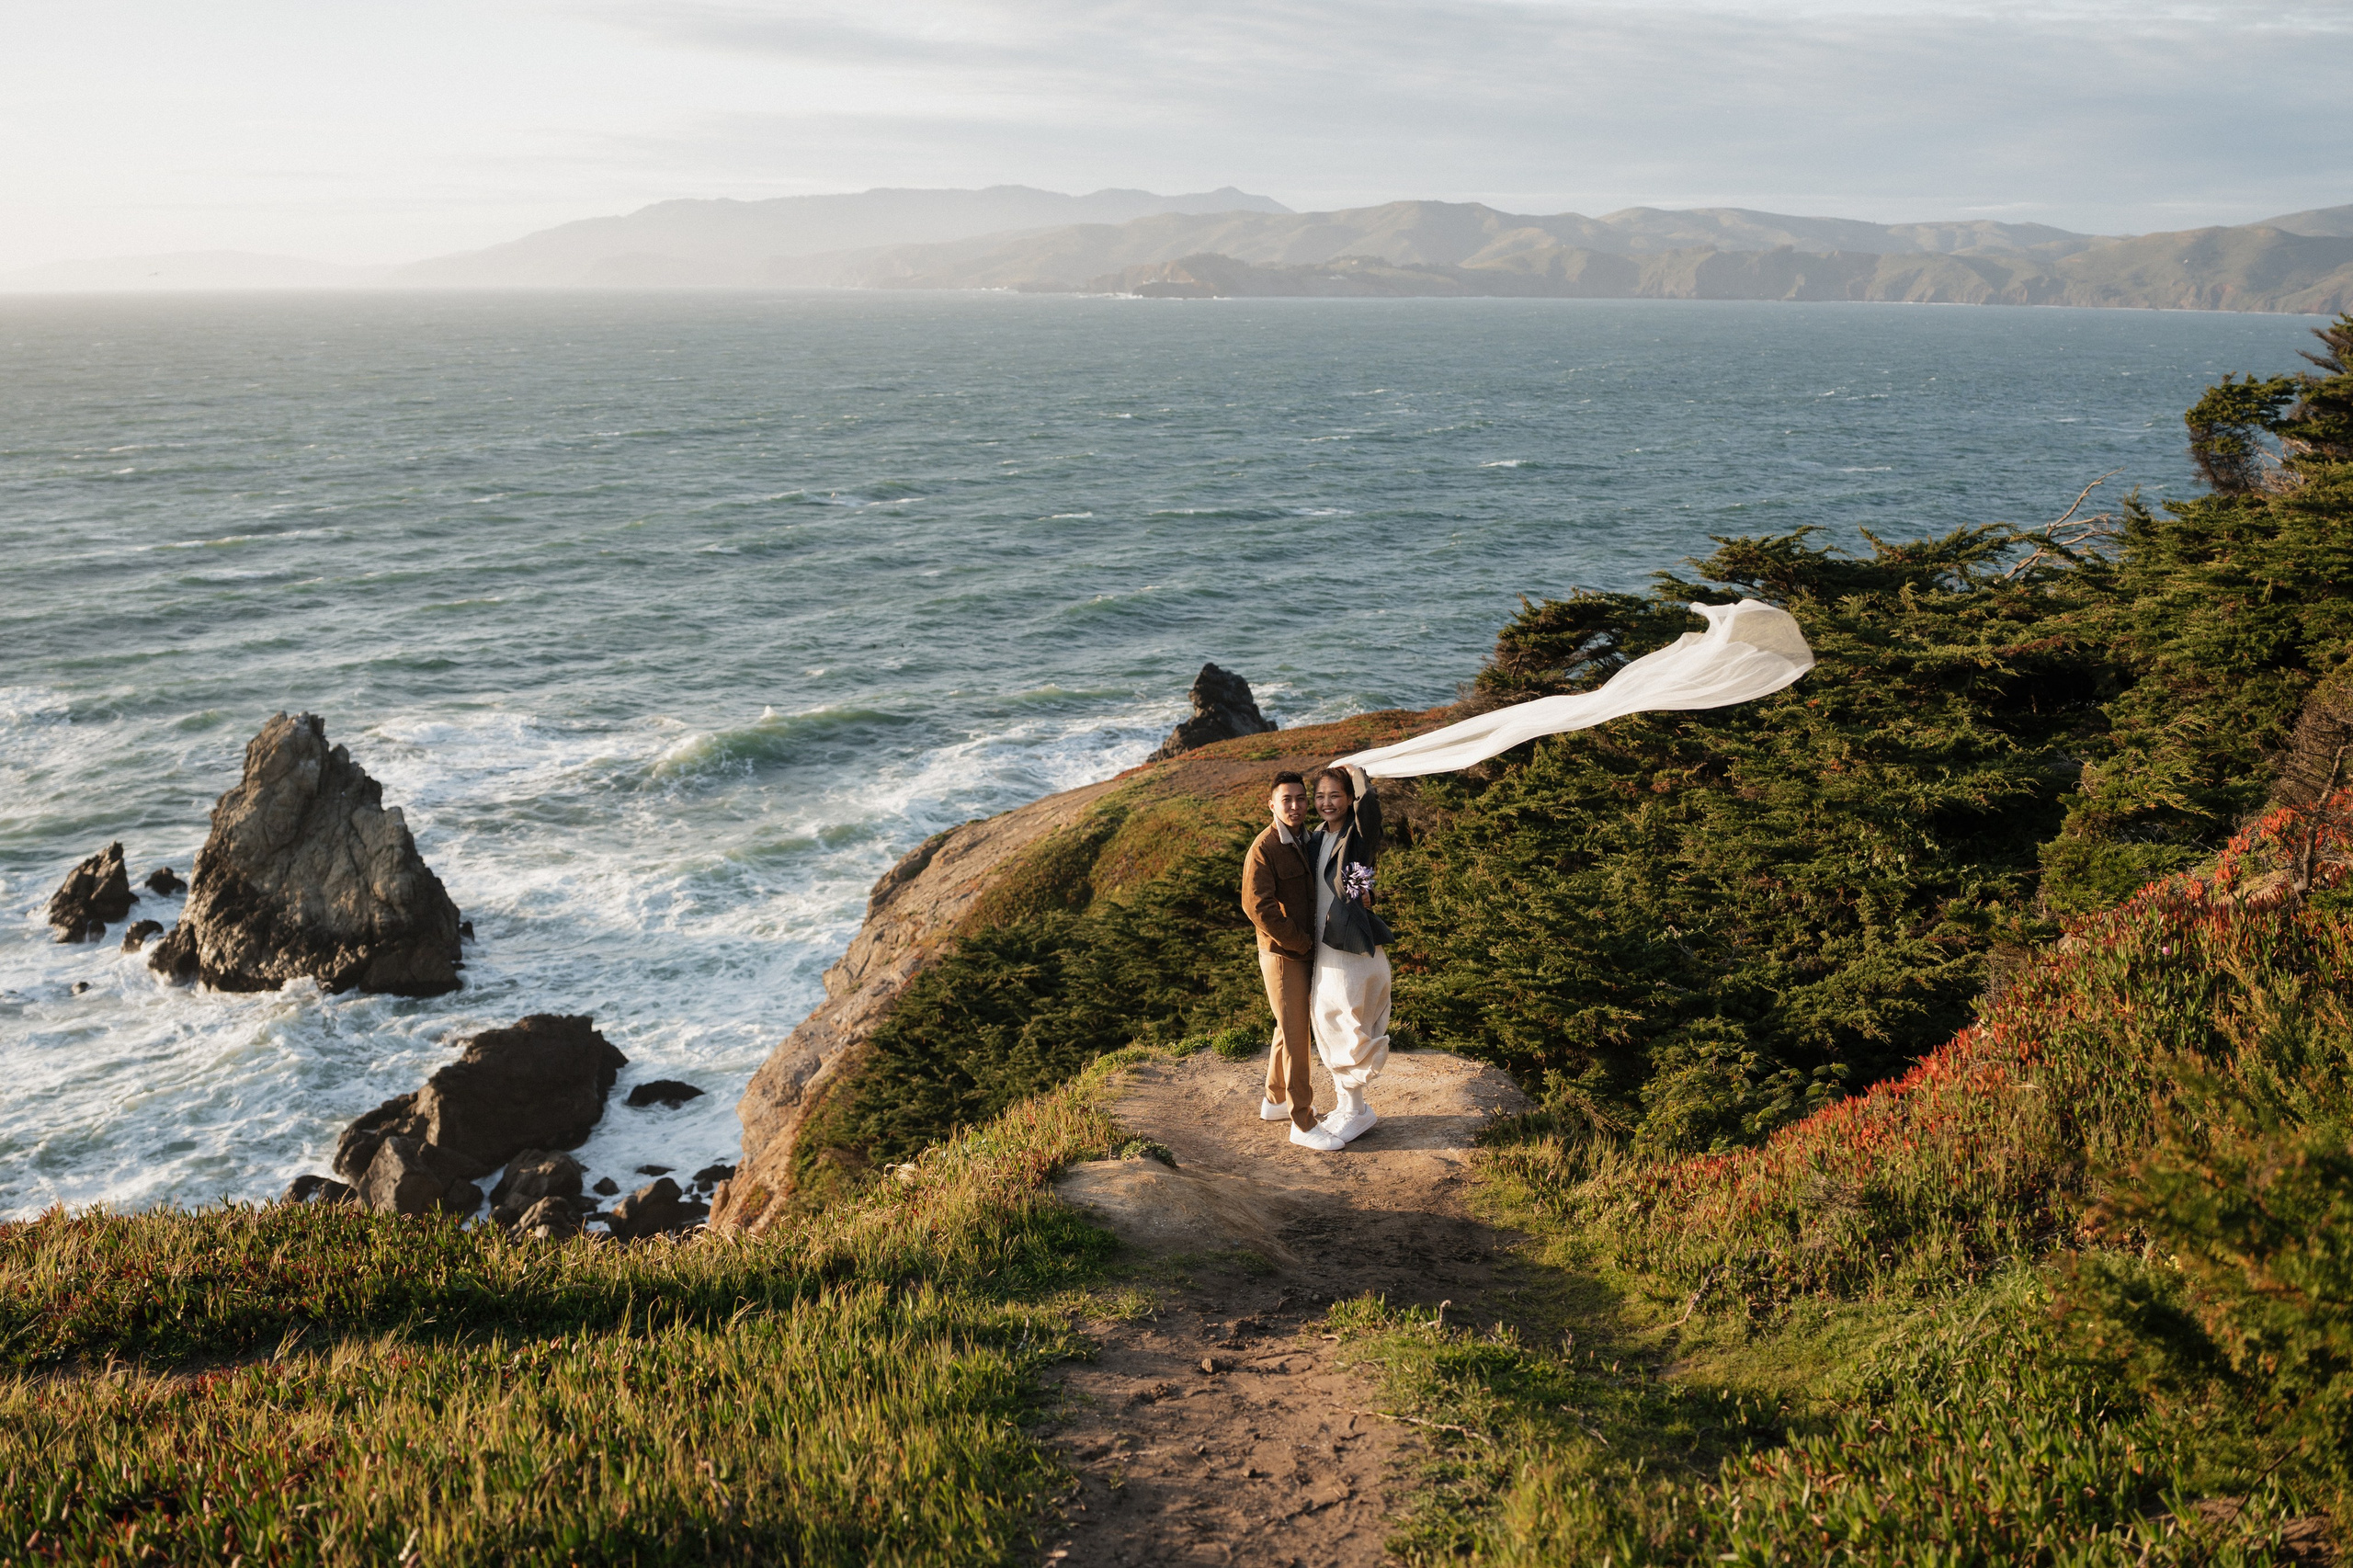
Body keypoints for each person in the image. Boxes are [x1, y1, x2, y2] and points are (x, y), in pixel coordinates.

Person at [1241, 771, 1347, 1151]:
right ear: (1272, 804)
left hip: (1303, 950)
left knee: (1288, 1026)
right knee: (1298, 1036)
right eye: (1287, 800)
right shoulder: (1264, 847)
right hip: (1284, 955)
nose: (1296, 806)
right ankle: (1302, 1122)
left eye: (1302, 798)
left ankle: (1274, 1099)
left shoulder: (1309, 839)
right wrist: (1301, 943)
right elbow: (1257, 907)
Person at [1306, 762, 1389, 1142]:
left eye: (1335, 795)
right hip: (1325, 949)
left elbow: (1369, 810)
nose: (1326, 802)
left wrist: (1358, 773)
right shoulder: (1317, 837)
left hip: (1350, 949)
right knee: (1328, 1022)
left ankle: (1357, 1110)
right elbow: (1348, 880)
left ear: (1349, 799)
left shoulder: (1357, 836)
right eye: (1320, 796)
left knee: (1349, 1023)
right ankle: (1346, 1104)